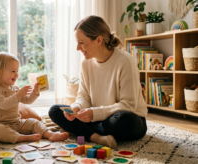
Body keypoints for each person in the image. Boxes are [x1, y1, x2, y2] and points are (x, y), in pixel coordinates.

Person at [49, 15, 148, 149]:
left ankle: (81, 130)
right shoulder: (86, 63)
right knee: (55, 110)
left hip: (125, 119)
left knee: (124, 120)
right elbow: (84, 96)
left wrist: (95, 113)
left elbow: (128, 105)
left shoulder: (125, 61)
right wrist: (76, 107)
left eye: (81, 42)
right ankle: (96, 137)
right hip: (98, 119)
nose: (78, 48)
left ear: (99, 40)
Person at [0, 52, 69, 143]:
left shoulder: (15, 88)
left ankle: (50, 134)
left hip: (16, 123)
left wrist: (35, 92)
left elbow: (27, 100)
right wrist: (18, 95)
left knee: (34, 122)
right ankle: (22, 138)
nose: (16, 74)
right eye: (13, 71)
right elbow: (3, 104)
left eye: (17, 71)